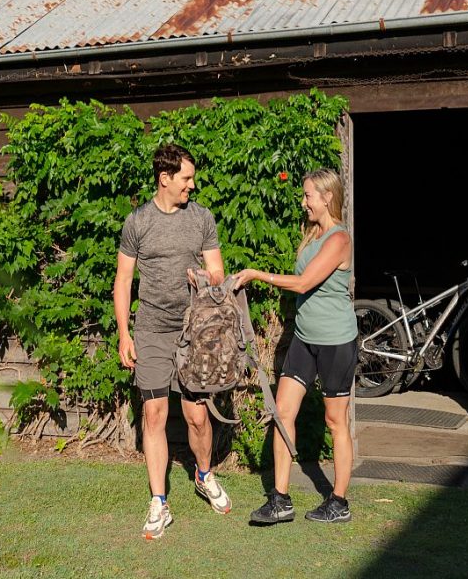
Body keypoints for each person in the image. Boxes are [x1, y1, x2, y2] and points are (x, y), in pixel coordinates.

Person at [113, 144, 232, 540]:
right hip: (150, 330)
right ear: (165, 179)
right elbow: (124, 281)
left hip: (195, 331)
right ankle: (159, 502)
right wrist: (124, 333)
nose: (191, 186)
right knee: (154, 415)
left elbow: (218, 272)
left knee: (197, 416)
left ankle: (203, 474)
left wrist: (202, 275)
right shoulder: (138, 222)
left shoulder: (201, 217)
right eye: (186, 179)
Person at [232, 168, 358, 524]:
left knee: (335, 421)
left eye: (307, 196)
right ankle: (280, 500)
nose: (303, 202)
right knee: (283, 413)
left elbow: (303, 283)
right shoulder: (312, 234)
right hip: (305, 338)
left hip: (335, 341)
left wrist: (257, 274)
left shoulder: (339, 239)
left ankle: (339, 502)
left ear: (326, 197)